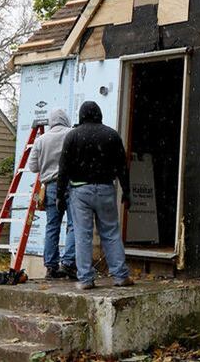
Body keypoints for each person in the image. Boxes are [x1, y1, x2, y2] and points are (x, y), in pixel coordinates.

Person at [57, 101, 134, 290]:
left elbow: (63, 168)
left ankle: (85, 280)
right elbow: (122, 167)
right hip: (106, 189)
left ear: (81, 116)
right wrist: (127, 190)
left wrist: (59, 195)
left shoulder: (73, 136)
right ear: (99, 114)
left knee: (82, 235)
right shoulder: (111, 135)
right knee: (111, 233)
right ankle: (120, 276)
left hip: (80, 191)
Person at [27, 108, 76, 280]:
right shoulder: (72, 134)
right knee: (73, 224)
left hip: (50, 187)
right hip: (71, 184)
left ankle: (51, 266)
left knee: (52, 226)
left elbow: (32, 167)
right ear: (65, 119)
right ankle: (69, 263)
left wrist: (48, 166)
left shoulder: (41, 140)